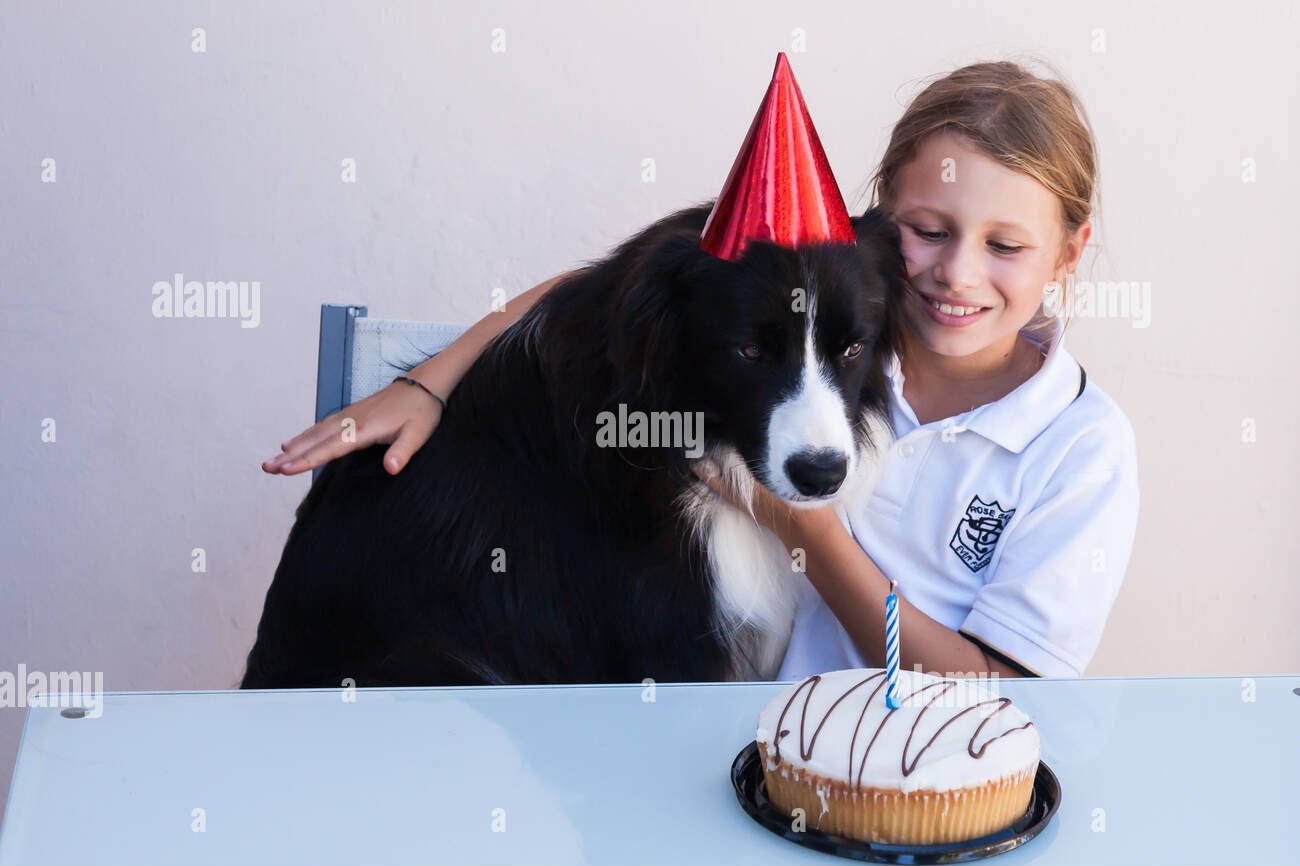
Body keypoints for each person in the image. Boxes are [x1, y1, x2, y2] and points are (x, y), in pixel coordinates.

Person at [262, 60, 1138, 682]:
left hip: (917, 782)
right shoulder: (852, 289)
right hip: (732, 747)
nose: (955, 275)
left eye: (1007, 245)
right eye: (930, 230)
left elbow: (1003, 704)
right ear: (874, 222)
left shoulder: (1077, 449)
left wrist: (806, 530)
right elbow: (615, 288)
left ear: (1069, 252)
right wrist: (431, 376)